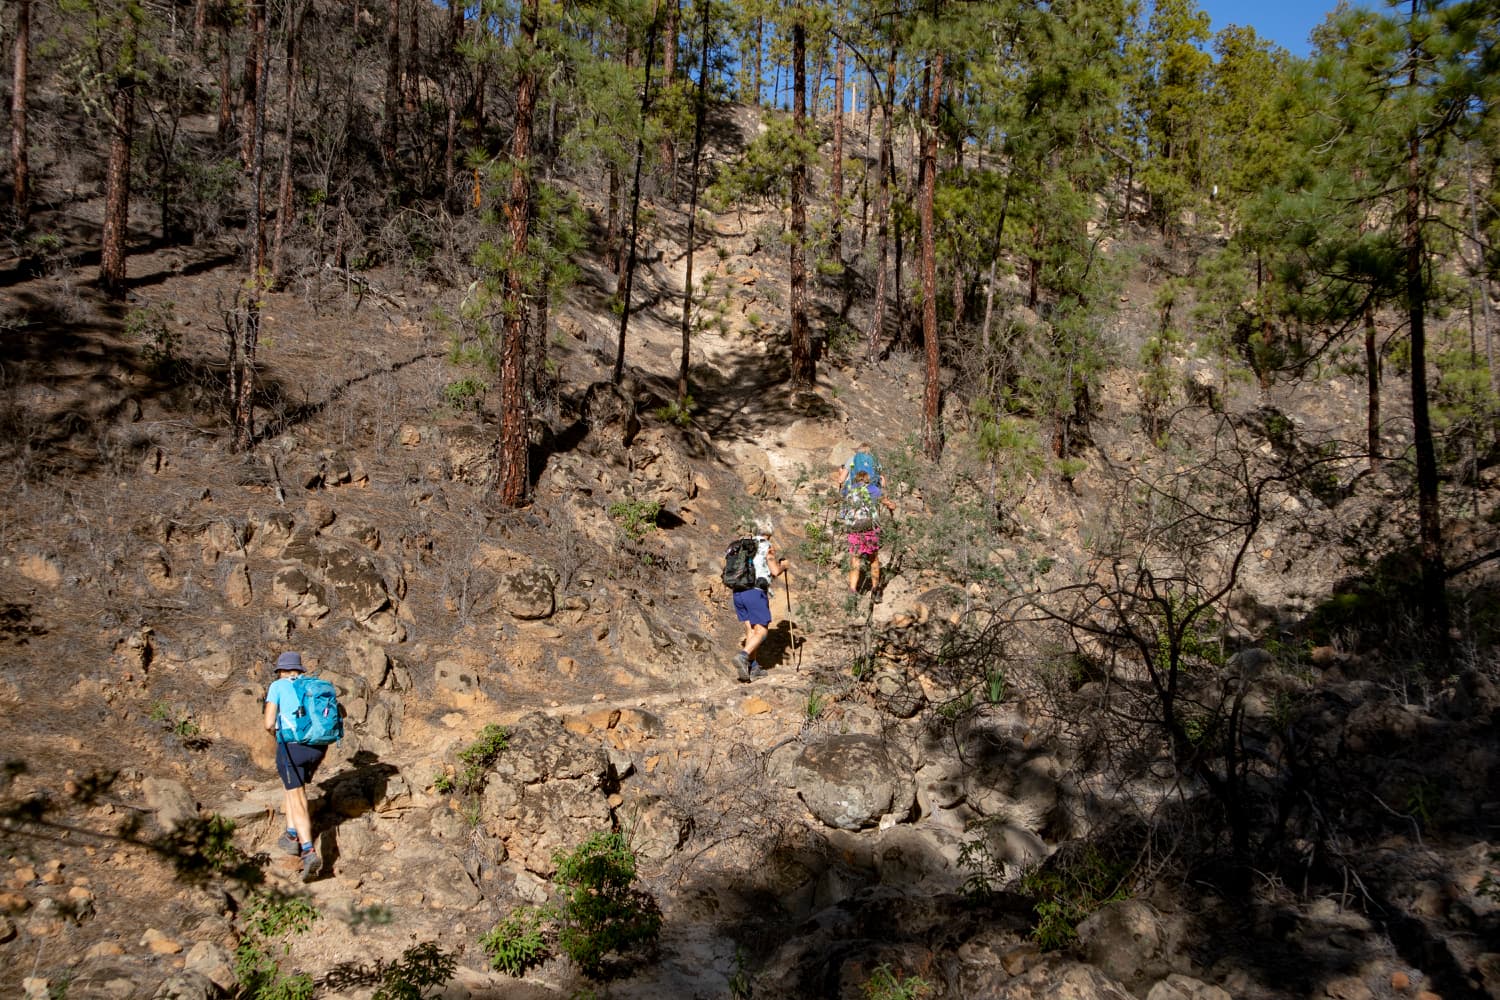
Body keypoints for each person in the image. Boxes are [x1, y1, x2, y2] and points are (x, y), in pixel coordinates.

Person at [263, 651, 325, 881]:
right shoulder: (312, 685)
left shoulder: (278, 686)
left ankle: (308, 850)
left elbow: (268, 722)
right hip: (317, 748)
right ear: (299, 670)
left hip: (292, 746)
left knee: (297, 795)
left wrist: (277, 733)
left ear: (281, 670)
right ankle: (291, 835)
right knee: (292, 787)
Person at [732, 521, 789, 683]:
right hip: (755, 592)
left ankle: (753, 667)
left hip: (738, 592)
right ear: (769, 534)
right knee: (762, 631)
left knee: (751, 630)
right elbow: (775, 571)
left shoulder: (744, 544)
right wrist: (784, 565)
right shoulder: (766, 546)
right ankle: (743, 657)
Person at [842, 469, 896, 595]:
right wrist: (885, 489)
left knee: (855, 559)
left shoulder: (849, 489)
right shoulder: (874, 490)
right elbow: (890, 505)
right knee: (873, 559)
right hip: (870, 529)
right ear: (868, 479)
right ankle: (875, 590)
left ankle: (852, 589)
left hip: (854, 529)